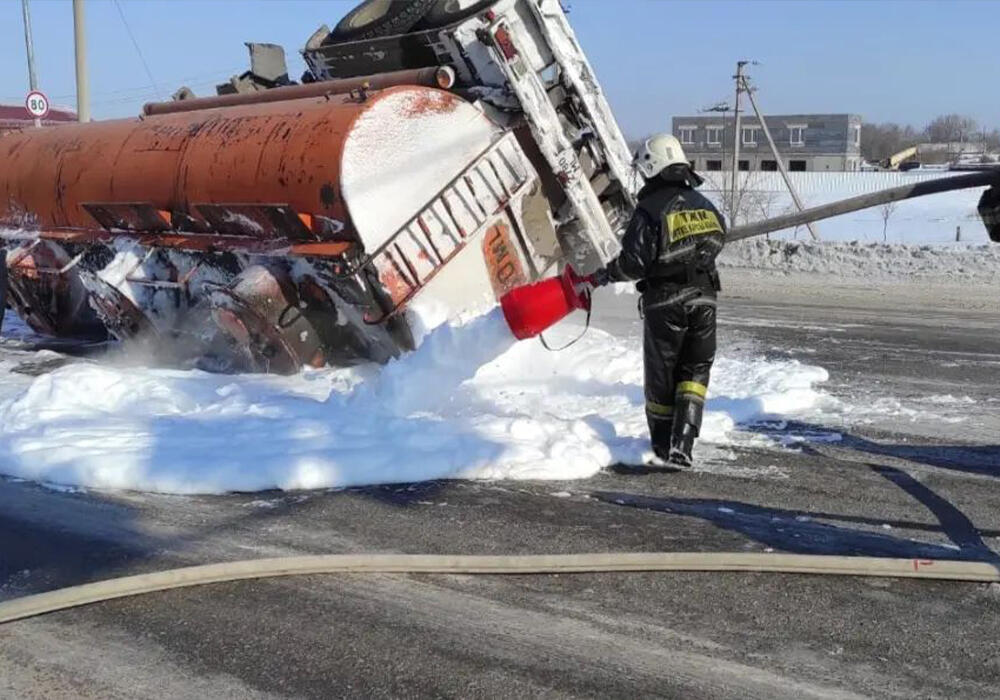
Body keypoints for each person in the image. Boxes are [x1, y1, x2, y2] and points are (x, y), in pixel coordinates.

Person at [588, 134, 726, 467]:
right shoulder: (705, 204)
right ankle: (684, 443)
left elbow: (634, 262)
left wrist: (606, 274)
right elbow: (720, 236)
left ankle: (663, 446)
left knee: (663, 374)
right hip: (705, 299)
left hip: (665, 303)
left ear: (652, 165)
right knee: (695, 370)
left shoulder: (649, 209)